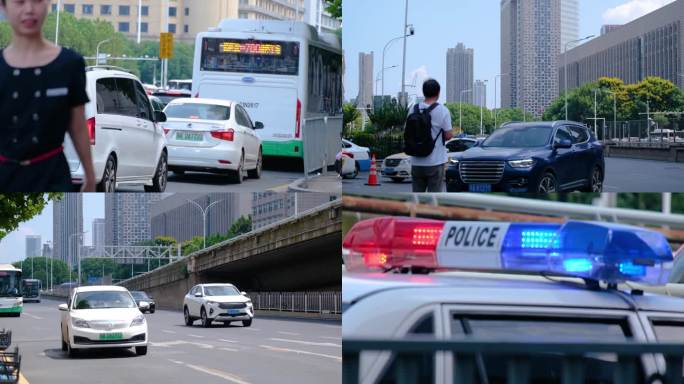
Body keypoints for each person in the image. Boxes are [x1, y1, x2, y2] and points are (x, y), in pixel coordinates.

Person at [0, 0, 96, 191]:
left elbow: (77, 126)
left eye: (36, 0)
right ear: (3, 7)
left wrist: (90, 176)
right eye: (19, 2)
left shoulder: (70, 64)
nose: (29, 9)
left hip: (53, 178)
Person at [408, 79, 453, 192]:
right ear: (438, 92)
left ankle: (417, 210)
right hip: (435, 161)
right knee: (434, 199)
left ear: (424, 92)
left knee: (417, 198)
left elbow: (408, 131)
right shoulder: (443, 110)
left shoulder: (413, 109)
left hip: (416, 162)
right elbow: (448, 135)